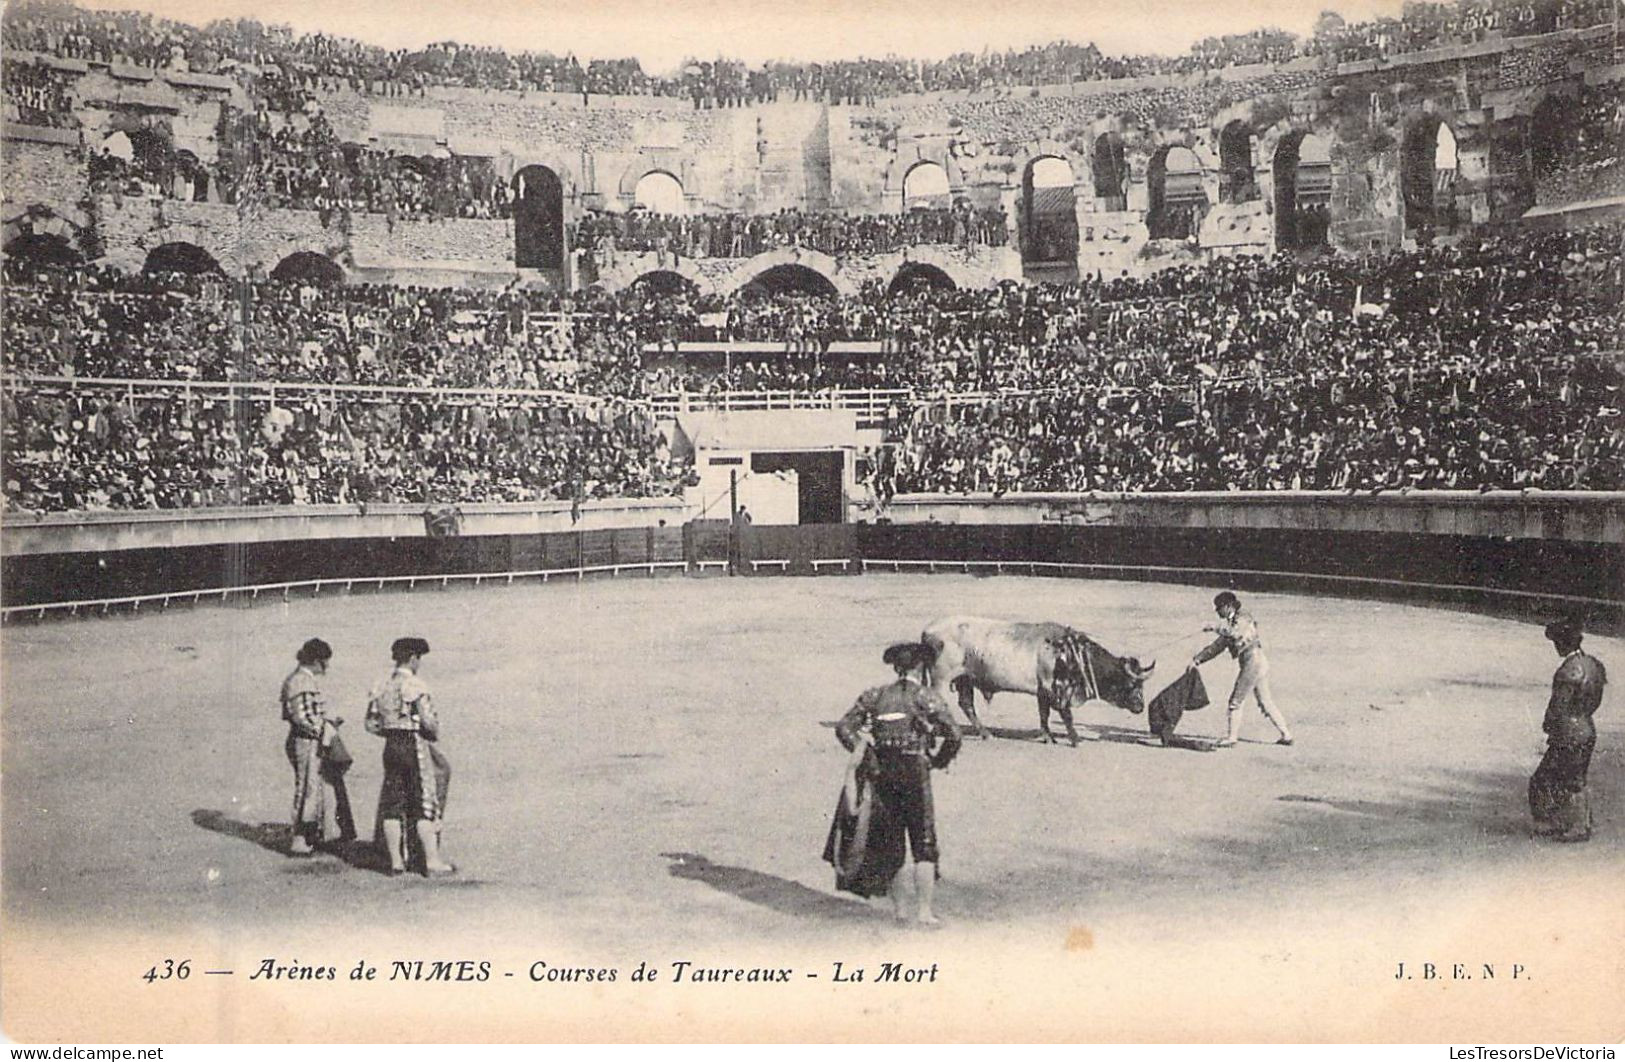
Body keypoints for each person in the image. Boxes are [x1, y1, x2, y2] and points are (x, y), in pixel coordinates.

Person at [826, 642, 962, 924]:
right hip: (915, 770)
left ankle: (900, 912)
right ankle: (924, 912)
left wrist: (866, 752)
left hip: (882, 771)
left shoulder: (875, 696)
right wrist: (937, 761)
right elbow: (954, 735)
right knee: (923, 841)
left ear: (896, 667)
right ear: (920, 666)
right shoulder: (926, 697)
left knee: (892, 841)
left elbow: (844, 728)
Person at [365, 636, 454, 876]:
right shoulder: (415, 686)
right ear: (413, 658)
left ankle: (395, 862)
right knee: (423, 800)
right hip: (413, 746)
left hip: (391, 746)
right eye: (419, 659)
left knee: (392, 803)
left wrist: (391, 730)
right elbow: (428, 721)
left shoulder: (381, 685)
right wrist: (430, 732)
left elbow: (371, 724)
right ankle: (432, 861)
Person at [1528, 617, 1607, 843]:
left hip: (1568, 731)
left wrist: (1549, 725)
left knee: (1545, 779)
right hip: (1587, 727)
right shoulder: (1593, 665)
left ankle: (1561, 823)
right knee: (1575, 777)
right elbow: (1595, 699)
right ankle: (1579, 822)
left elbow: (1558, 705)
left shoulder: (1567, 670)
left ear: (1562, 644)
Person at [1188, 591, 1294, 748]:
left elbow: (1236, 634)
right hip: (1256, 662)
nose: (1217, 611)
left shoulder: (1243, 617)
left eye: (1219, 608)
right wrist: (1197, 659)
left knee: (1235, 701)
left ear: (1228, 606)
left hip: (1253, 661)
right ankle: (1286, 735)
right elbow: (1217, 647)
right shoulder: (1231, 623)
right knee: (1265, 702)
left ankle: (1232, 738)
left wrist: (1214, 627)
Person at [280, 637, 342, 855]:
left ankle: (310, 834)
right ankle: (299, 838)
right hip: (305, 741)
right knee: (307, 786)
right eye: (325, 661)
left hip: (306, 739)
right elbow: (302, 718)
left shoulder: (298, 679)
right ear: (316, 661)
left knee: (313, 787)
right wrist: (326, 727)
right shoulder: (301, 681)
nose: (327, 666)